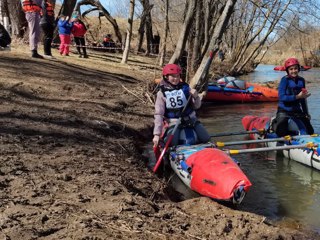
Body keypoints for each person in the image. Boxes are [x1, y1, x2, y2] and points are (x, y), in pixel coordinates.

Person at [152, 64, 210, 147]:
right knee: (172, 143)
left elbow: (197, 106)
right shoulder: (161, 93)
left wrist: (196, 97)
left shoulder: (186, 88)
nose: (176, 79)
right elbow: (159, 114)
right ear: (166, 77)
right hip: (173, 122)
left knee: (206, 138)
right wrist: (156, 134)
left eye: (177, 76)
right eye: (173, 76)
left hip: (190, 119)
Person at [273, 57, 314, 137]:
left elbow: (302, 99)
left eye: (295, 68)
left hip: (297, 111)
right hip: (284, 110)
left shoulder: (301, 80)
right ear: (287, 71)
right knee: (281, 133)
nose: (294, 71)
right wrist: (297, 97)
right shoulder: (284, 80)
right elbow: (281, 97)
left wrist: (306, 113)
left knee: (310, 131)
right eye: (291, 69)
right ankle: (274, 123)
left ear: (298, 69)